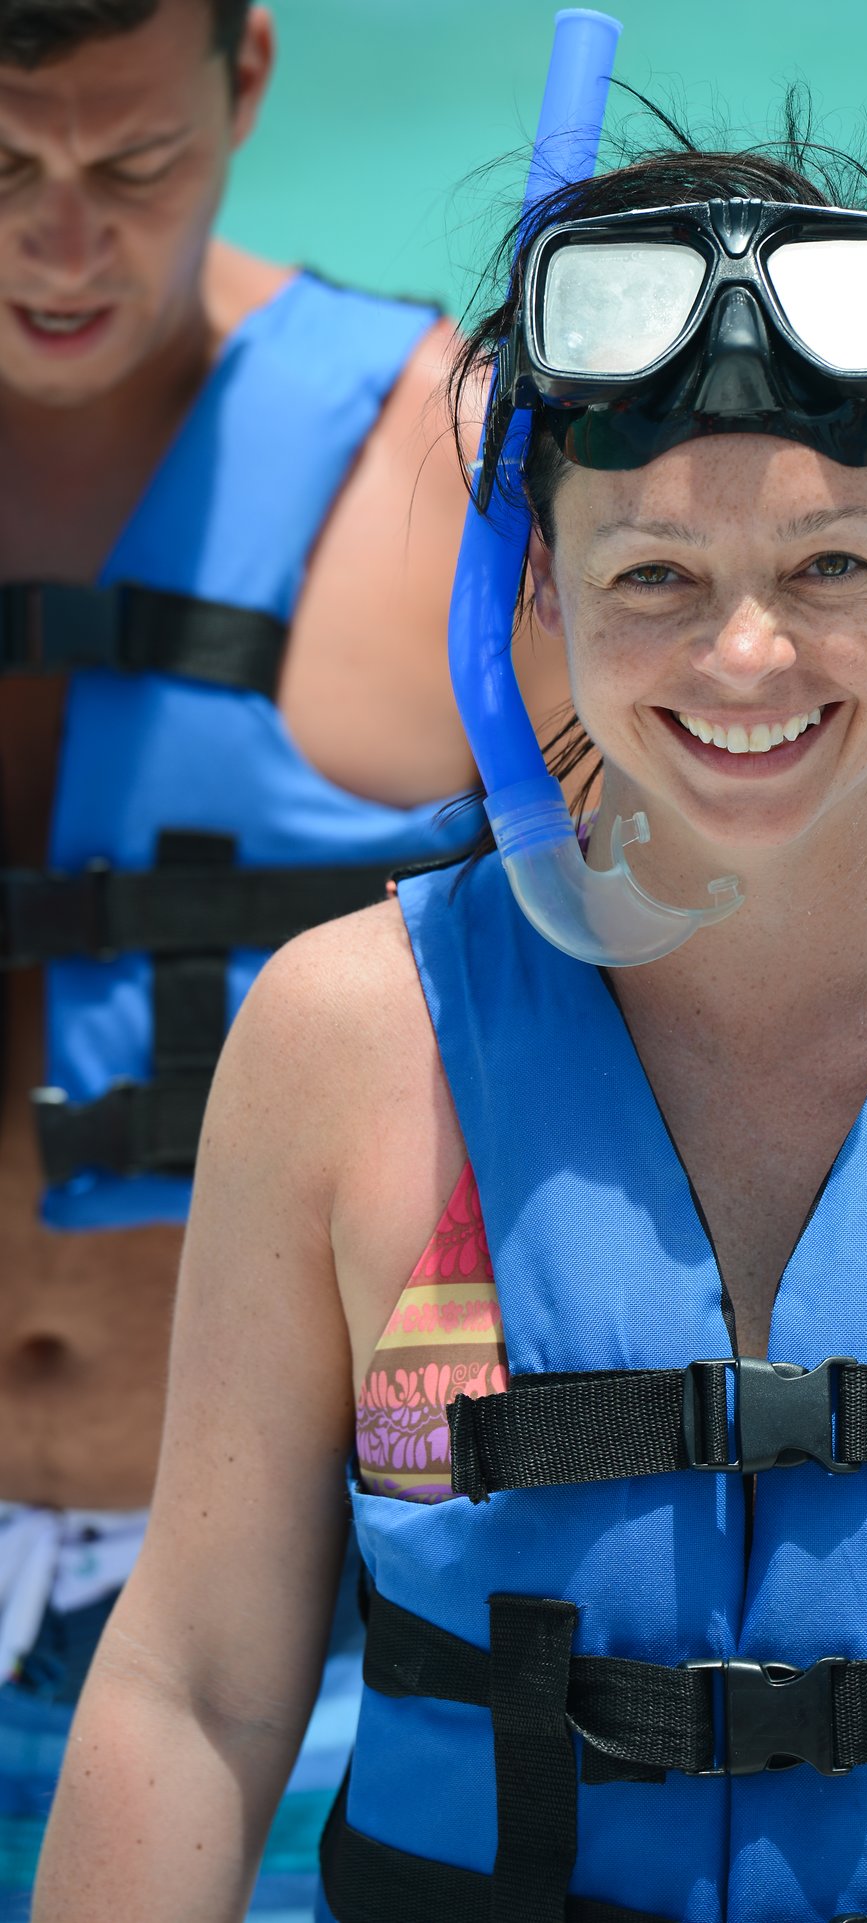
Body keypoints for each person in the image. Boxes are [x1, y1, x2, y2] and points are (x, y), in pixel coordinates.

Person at [31, 103, 867, 1923]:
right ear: (535, 580)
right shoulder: (353, 1041)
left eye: (832, 565)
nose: (749, 655)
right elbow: (202, 1694)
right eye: (655, 578)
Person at [0, 0, 566, 1914]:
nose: (61, 243)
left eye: (130, 165)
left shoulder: (452, 477)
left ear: (248, 77)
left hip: (278, 1631)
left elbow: (728, 868)